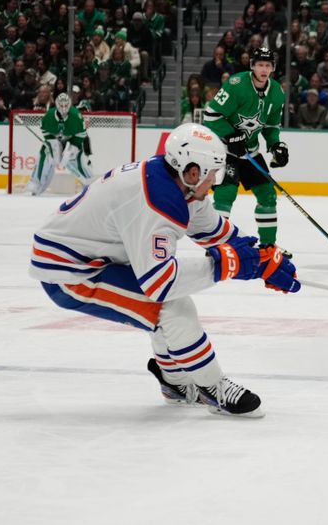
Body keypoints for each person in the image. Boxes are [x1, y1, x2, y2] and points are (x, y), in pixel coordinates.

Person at [28, 123, 301, 417]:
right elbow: (160, 284)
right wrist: (230, 264)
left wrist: (260, 258)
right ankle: (212, 388)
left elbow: (213, 231)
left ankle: (176, 384)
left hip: (91, 256)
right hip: (71, 272)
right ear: (193, 171)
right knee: (173, 307)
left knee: (165, 308)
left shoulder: (177, 183)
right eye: (214, 173)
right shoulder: (155, 201)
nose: (215, 182)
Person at [202, 47, 290, 252]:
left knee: (268, 195)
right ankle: (216, 245)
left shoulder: (277, 92)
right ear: (252, 66)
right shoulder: (236, 84)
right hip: (225, 151)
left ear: (273, 68)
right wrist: (230, 135)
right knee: (226, 194)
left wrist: (275, 145)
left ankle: (268, 246)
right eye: (260, 64)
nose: (264, 69)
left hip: (251, 151)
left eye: (268, 65)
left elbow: (271, 126)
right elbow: (211, 115)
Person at [26, 93, 93, 196]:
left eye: (66, 105)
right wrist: (53, 144)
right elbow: (45, 131)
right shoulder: (49, 116)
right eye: (61, 105)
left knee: (75, 159)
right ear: (57, 105)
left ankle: (89, 185)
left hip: (72, 140)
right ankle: (37, 184)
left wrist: (72, 148)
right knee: (44, 152)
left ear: (69, 104)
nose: (64, 108)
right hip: (56, 140)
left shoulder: (76, 116)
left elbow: (81, 134)